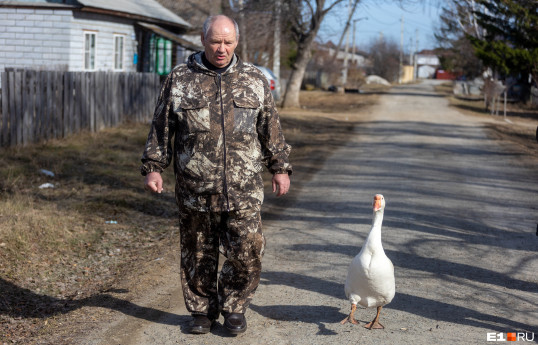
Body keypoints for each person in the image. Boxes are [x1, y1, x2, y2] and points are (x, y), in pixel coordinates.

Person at [140, 15, 292, 335]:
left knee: (248, 250)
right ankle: (201, 311)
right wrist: (154, 167)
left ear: (237, 41)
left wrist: (279, 167)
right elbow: (161, 127)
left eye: (228, 41)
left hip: (244, 186)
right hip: (196, 186)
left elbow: (270, 128)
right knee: (197, 252)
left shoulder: (254, 79)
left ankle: (234, 306)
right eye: (215, 41)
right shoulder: (180, 78)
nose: (221, 48)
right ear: (203, 39)